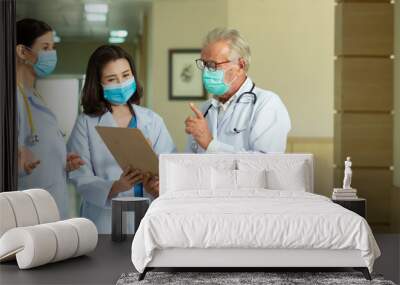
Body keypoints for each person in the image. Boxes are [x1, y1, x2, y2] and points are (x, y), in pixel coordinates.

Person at [67, 45, 176, 233]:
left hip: (148, 217)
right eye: (111, 79)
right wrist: (116, 186)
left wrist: (158, 185)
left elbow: (171, 168)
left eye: (126, 76)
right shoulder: (86, 123)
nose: (121, 83)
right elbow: (79, 176)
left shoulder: (152, 121)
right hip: (104, 222)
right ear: (99, 84)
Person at [16, 18, 84, 219]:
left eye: (53, 47)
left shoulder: (34, 95)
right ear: (22, 52)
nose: (52, 54)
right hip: (29, 210)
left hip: (50, 204)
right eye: (45, 47)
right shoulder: (12, 97)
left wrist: (60, 159)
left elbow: (37, 148)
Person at [185, 28, 291, 153]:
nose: (206, 72)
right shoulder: (205, 110)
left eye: (213, 65)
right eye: (205, 64)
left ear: (240, 65)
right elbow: (191, 162)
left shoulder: (267, 104)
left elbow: (265, 163)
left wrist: (210, 144)